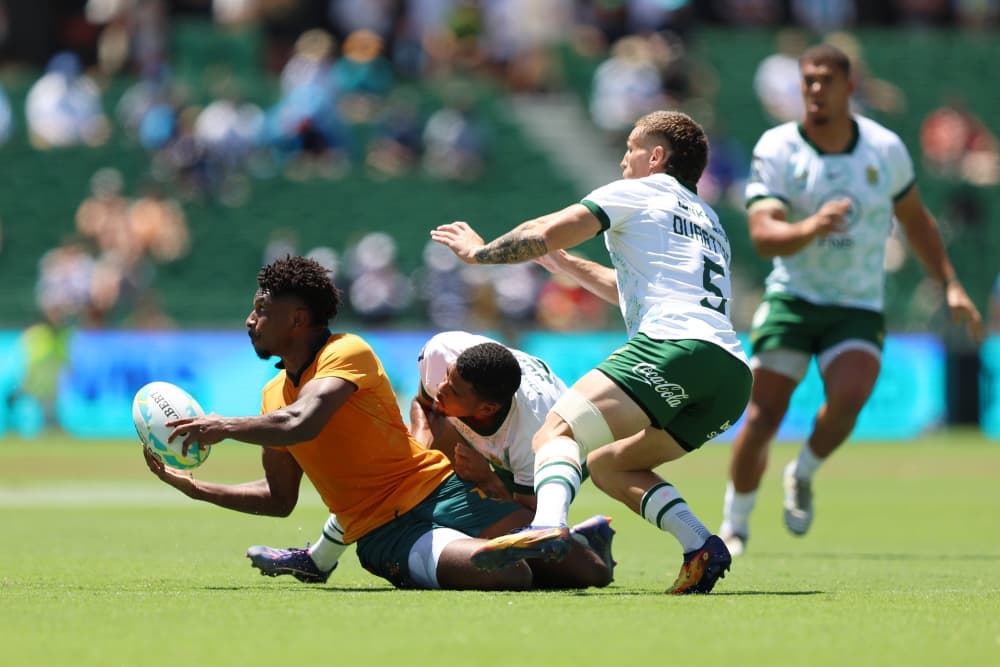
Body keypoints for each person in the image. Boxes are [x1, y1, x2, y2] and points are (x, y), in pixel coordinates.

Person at [143, 256, 611, 591]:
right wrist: (194, 487)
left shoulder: (347, 352)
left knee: (592, 573)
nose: (250, 320)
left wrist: (222, 426)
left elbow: (303, 422)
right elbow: (278, 498)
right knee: (510, 573)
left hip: (441, 490)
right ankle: (501, 549)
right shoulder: (271, 398)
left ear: (298, 318)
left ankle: (565, 542)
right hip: (385, 532)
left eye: (262, 310)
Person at [431, 110, 752, 594]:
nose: (624, 159)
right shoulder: (708, 220)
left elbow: (545, 229)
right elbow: (637, 290)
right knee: (608, 464)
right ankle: (700, 544)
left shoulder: (638, 191)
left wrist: (480, 254)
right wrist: (570, 267)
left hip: (672, 347)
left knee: (555, 433)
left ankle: (546, 526)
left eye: (632, 148)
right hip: (729, 373)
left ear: (657, 157)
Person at [717, 44, 985, 557]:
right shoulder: (778, 147)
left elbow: (916, 219)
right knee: (764, 414)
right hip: (794, 297)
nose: (815, 89)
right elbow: (763, 236)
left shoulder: (883, 148)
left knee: (850, 397)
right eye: (808, 80)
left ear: (849, 87)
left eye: (826, 80)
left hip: (857, 304)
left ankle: (804, 471)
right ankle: (736, 523)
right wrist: (811, 227)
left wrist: (949, 281)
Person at [247, 330, 617, 583]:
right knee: (410, 464)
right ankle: (321, 557)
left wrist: (486, 479)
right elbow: (425, 405)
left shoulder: (536, 439)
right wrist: (417, 452)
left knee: (591, 574)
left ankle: (584, 542)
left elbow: (532, 517)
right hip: (487, 441)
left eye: (453, 388)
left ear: (485, 408)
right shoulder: (443, 355)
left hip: (542, 464)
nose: (441, 386)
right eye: (446, 378)